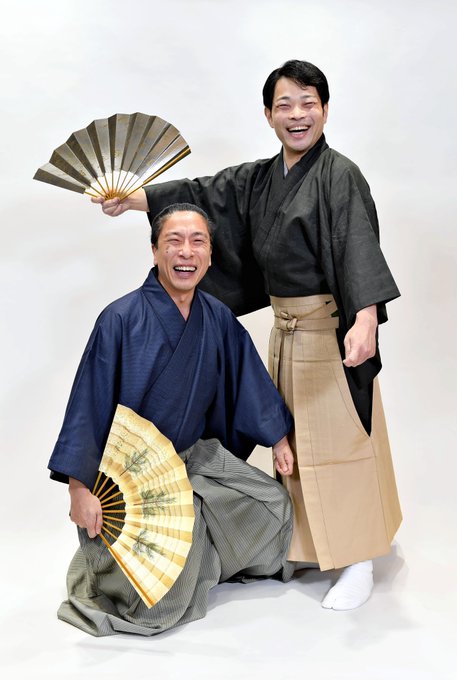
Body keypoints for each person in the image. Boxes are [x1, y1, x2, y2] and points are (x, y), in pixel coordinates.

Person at [94, 59, 402, 611]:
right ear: (268, 115)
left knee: (338, 442)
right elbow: (207, 195)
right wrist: (136, 200)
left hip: (328, 330)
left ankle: (358, 558)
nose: (297, 115)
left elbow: (357, 244)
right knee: (294, 445)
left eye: (308, 103)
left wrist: (364, 319)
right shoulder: (261, 179)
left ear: (325, 110)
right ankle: (311, 546)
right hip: (287, 333)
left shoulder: (340, 175)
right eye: (284, 105)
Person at [48, 203, 296, 637]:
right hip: (131, 478)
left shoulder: (216, 316)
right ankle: (179, 559)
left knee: (272, 506)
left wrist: (278, 438)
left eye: (198, 242)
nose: (186, 252)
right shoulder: (119, 319)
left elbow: (246, 378)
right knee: (160, 606)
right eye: (173, 241)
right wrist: (78, 488)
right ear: (154, 251)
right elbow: (88, 404)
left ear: (210, 255)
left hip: (193, 457)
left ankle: (204, 554)